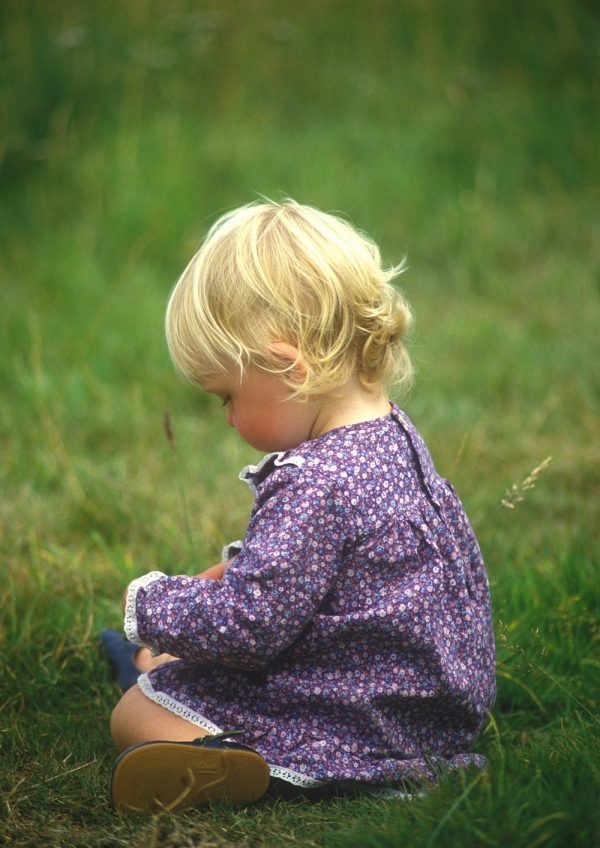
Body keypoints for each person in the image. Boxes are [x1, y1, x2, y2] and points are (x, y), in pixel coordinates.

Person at [105, 199, 496, 814]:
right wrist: (232, 574)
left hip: (357, 718)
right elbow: (338, 571)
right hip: (432, 708)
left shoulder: (315, 481)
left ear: (287, 368)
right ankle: (173, 682)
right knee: (173, 656)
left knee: (136, 709)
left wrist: (148, 601)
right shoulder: (389, 432)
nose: (229, 418)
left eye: (226, 396)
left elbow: (252, 627)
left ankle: (238, 760)